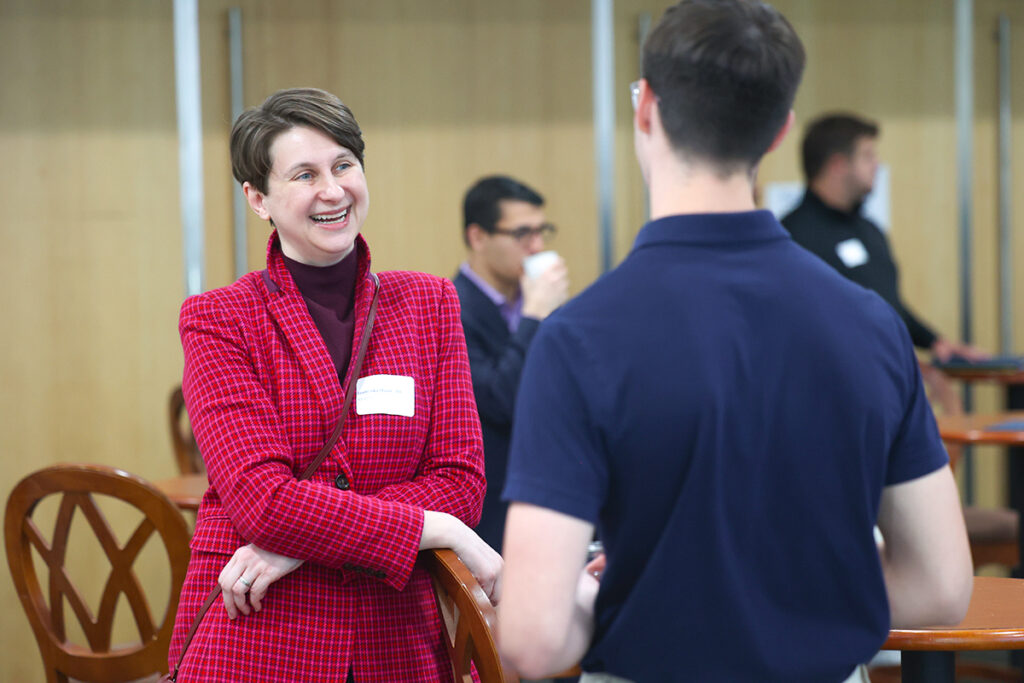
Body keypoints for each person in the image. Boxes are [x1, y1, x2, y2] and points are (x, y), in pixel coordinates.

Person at [497, 2, 973, 681]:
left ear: (645, 108)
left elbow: (534, 641)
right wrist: (799, 602)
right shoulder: (872, 324)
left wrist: (617, 590)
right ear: (779, 131)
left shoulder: (578, 338)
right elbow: (941, 588)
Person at [168, 87, 501, 682]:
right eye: (304, 175)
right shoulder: (219, 319)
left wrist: (298, 541)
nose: (332, 190)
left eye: (344, 165)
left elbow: (461, 482)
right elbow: (262, 502)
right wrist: (436, 527)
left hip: (399, 638)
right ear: (258, 198)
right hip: (260, 634)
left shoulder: (428, 303)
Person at [782, 113, 985, 363]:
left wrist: (935, 343)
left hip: (882, 375)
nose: (876, 164)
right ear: (837, 164)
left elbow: (888, 306)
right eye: (868, 156)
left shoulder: (869, 230)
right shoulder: (791, 238)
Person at [453, 175, 569, 551]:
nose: (537, 246)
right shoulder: (451, 308)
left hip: (550, 493)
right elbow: (500, 399)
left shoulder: (541, 302)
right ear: (477, 237)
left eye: (541, 231)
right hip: (492, 509)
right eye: (522, 234)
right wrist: (535, 315)